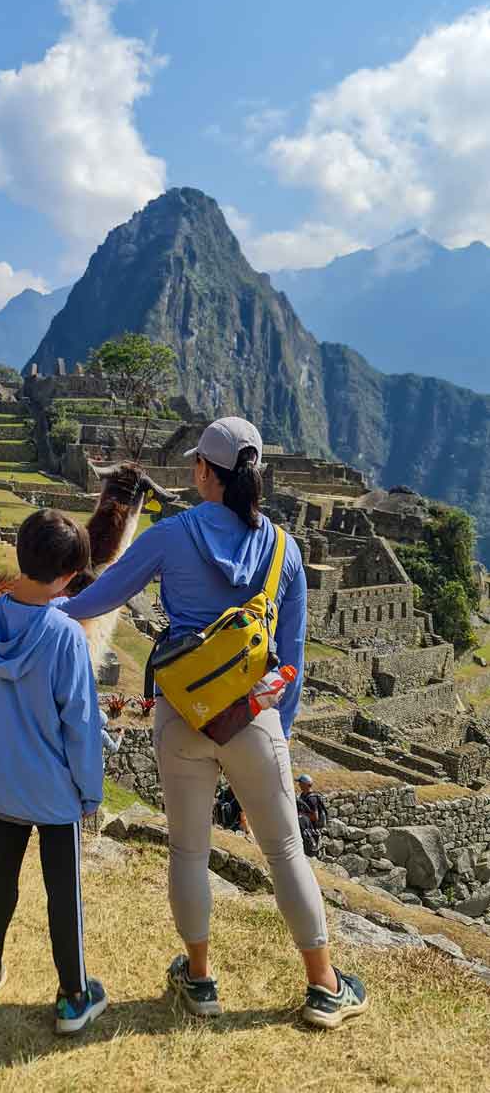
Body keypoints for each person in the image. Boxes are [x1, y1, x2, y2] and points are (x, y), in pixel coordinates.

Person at [61, 417, 367, 1030]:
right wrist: (275, 733)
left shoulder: (169, 537)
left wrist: (30, 607)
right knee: (284, 850)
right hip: (255, 717)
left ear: (204, 470)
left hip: (181, 714)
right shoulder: (286, 550)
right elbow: (293, 658)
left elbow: (98, 599)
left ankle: (199, 980)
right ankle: (325, 985)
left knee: (188, 850)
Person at [0, 510, 108, 1034]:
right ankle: (74, 994)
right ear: (65, 577)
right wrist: (90, 790)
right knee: (64, 892)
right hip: (53, 792)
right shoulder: (65, 637)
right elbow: (81, 720)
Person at [297, 775, 328, 858]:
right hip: (306, 828)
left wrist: (302, 815)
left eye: (300, 783)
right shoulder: (303, 795)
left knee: (310, 853)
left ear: (305, 784)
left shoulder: (312, 798)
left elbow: (315, 817)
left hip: (311, 831)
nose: (299, 784)